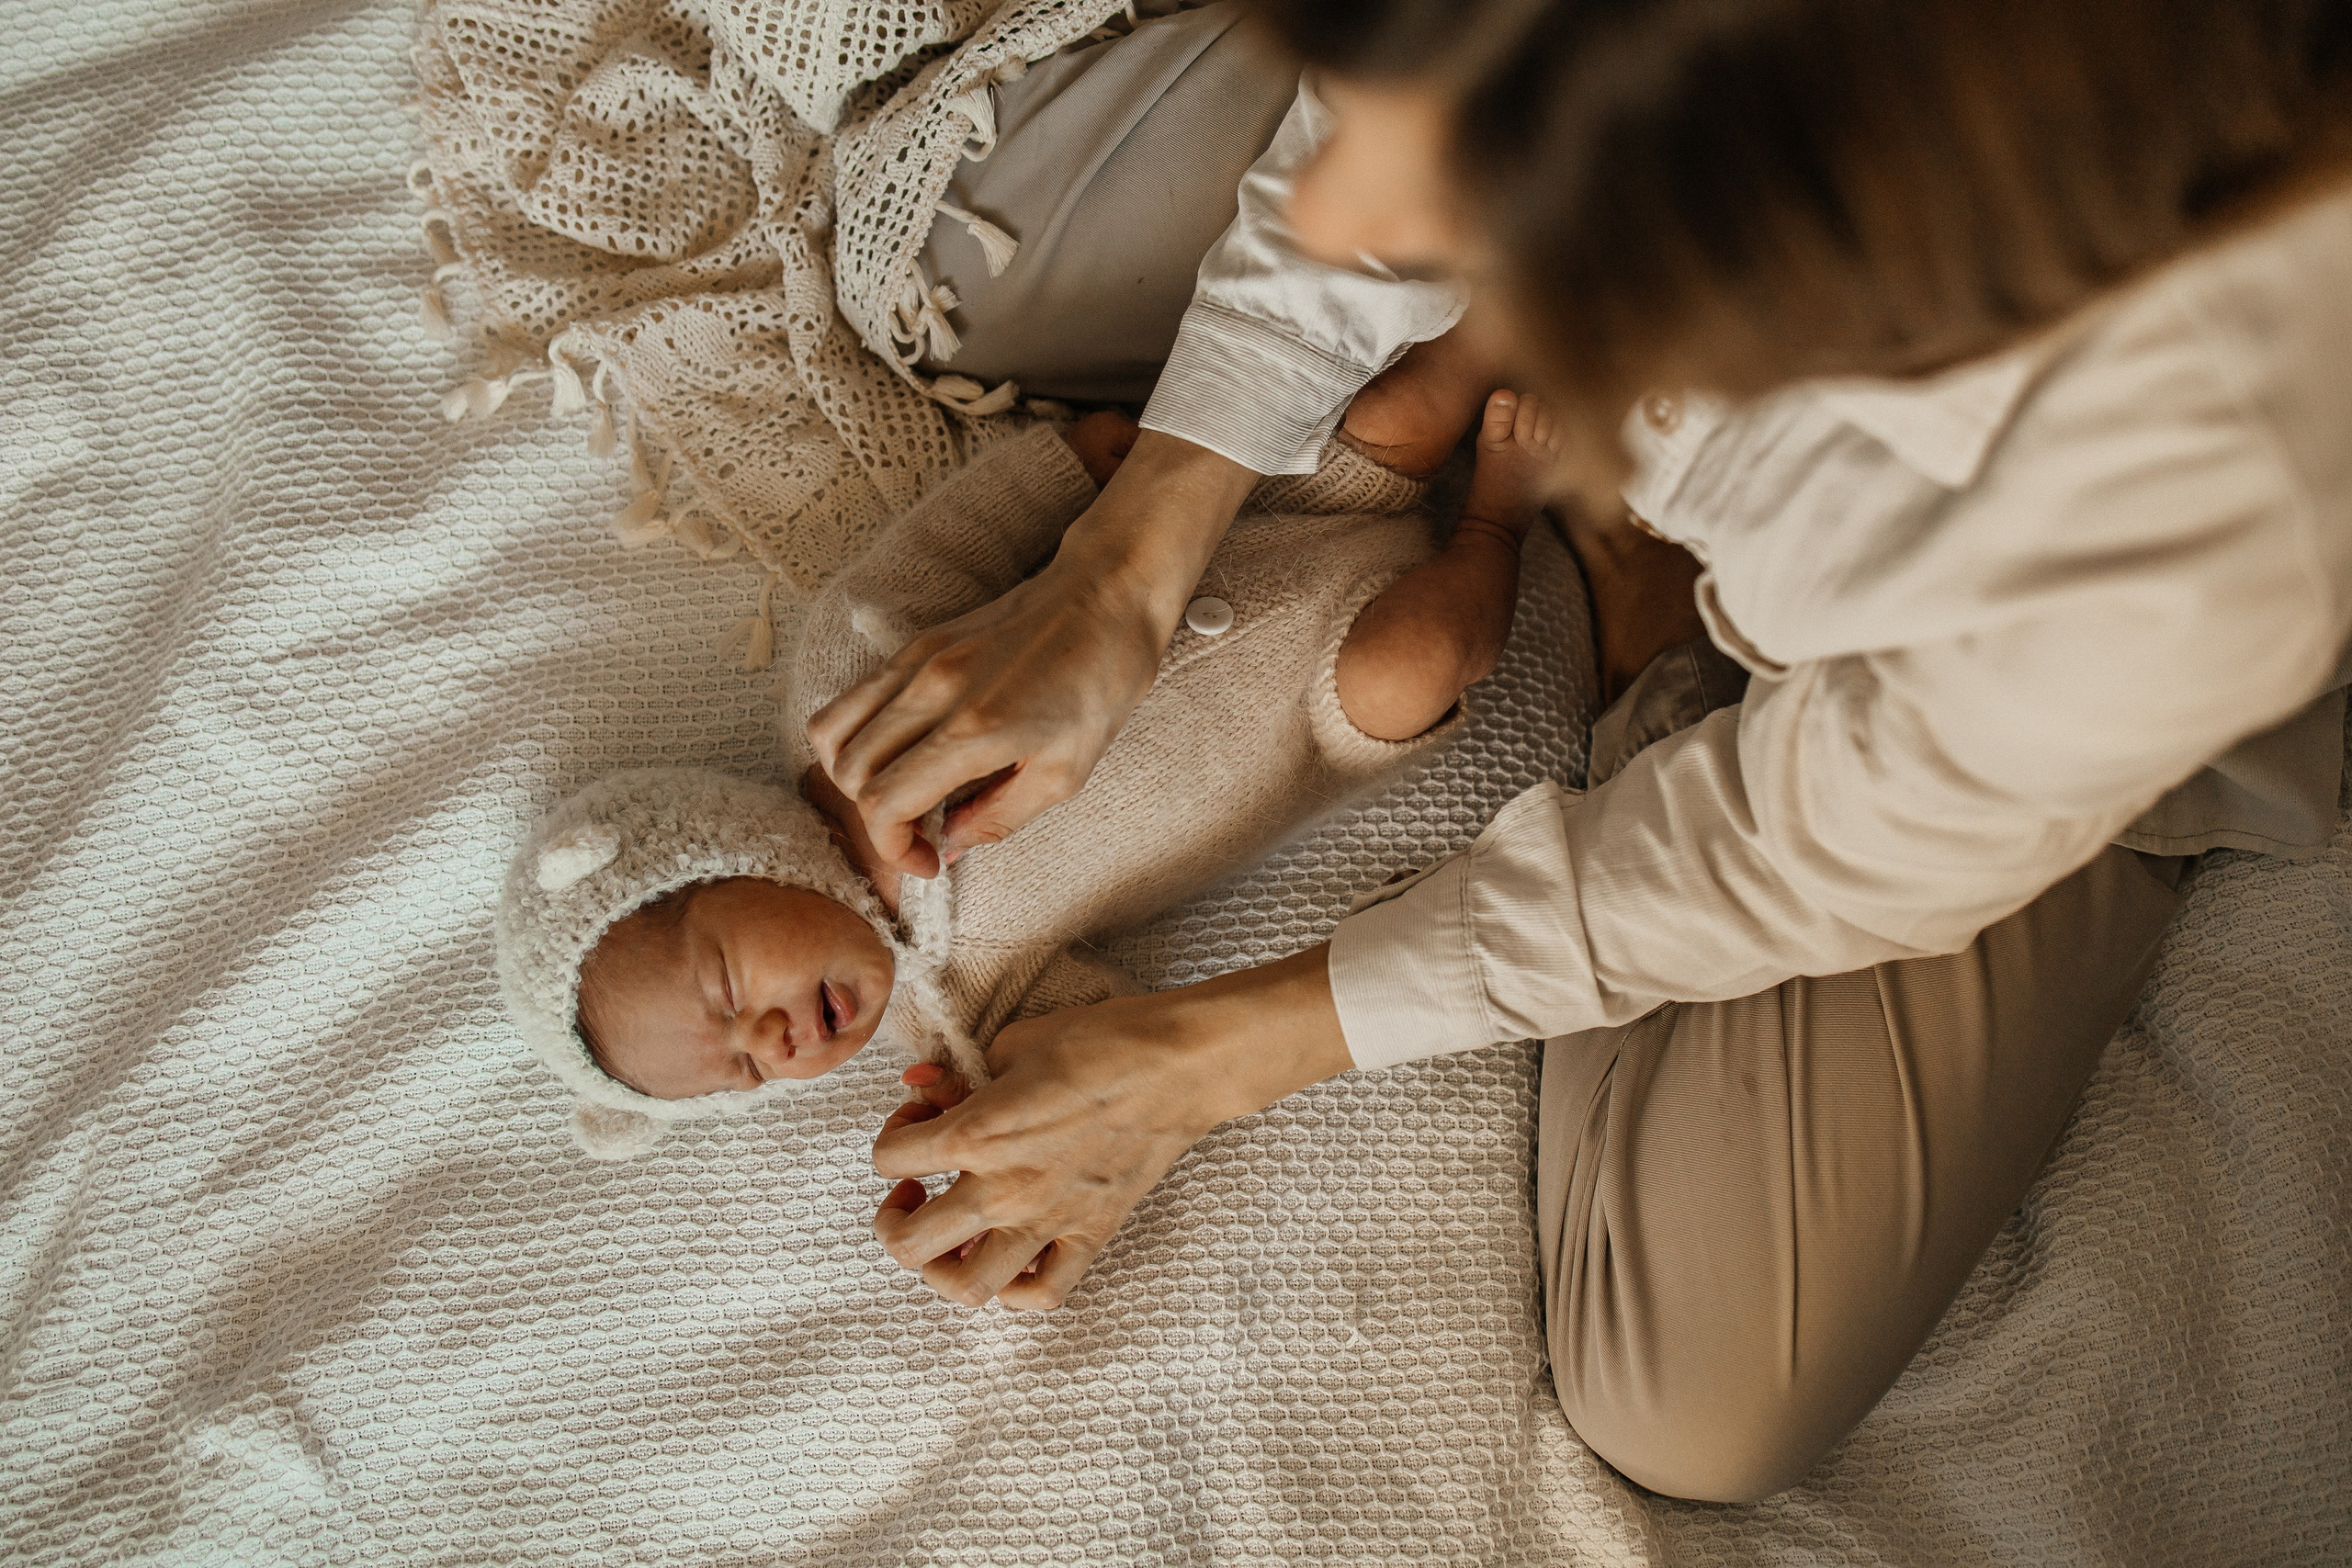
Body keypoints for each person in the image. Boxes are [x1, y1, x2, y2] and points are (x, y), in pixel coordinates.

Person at [808, 0, 2352, 1504]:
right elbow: (1378, 147)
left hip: (1987, 719)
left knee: (1693, 1397)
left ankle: (1646, 629)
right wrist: (1128, 559)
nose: (1341, 203)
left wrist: (1209, 1057)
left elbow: (1776, 860)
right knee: (957, 261)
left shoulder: (2185, 543)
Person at [492, 393, 1559, 1156]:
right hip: (1323, 703)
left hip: (1244, 524)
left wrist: (1056, 473)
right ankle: (1496, 519)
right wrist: (994, 1102)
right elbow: (1101, 1015)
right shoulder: (964, 1003)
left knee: (1402, 413)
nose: (771, 1040)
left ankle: (1509, 291)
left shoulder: (845, 698)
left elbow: (944, 554)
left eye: (726, 990)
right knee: (1422, 659)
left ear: (725, 853)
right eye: (748, 1070)